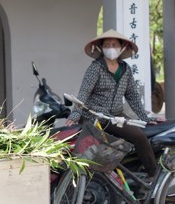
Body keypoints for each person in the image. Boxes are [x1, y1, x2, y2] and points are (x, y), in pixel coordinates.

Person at [67, 29, 158, 180]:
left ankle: (153, 175)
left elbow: (132, 95)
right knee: (95, 152)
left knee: (140, 137)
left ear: (122, 48)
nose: (111, 48)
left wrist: (145, 117)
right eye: (107, 45)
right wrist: (75, 114)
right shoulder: (95, 68)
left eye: (114, 45)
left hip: (115, 116)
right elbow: (83, 93)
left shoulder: (125, 69)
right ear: (101, 48)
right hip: (94, 115)